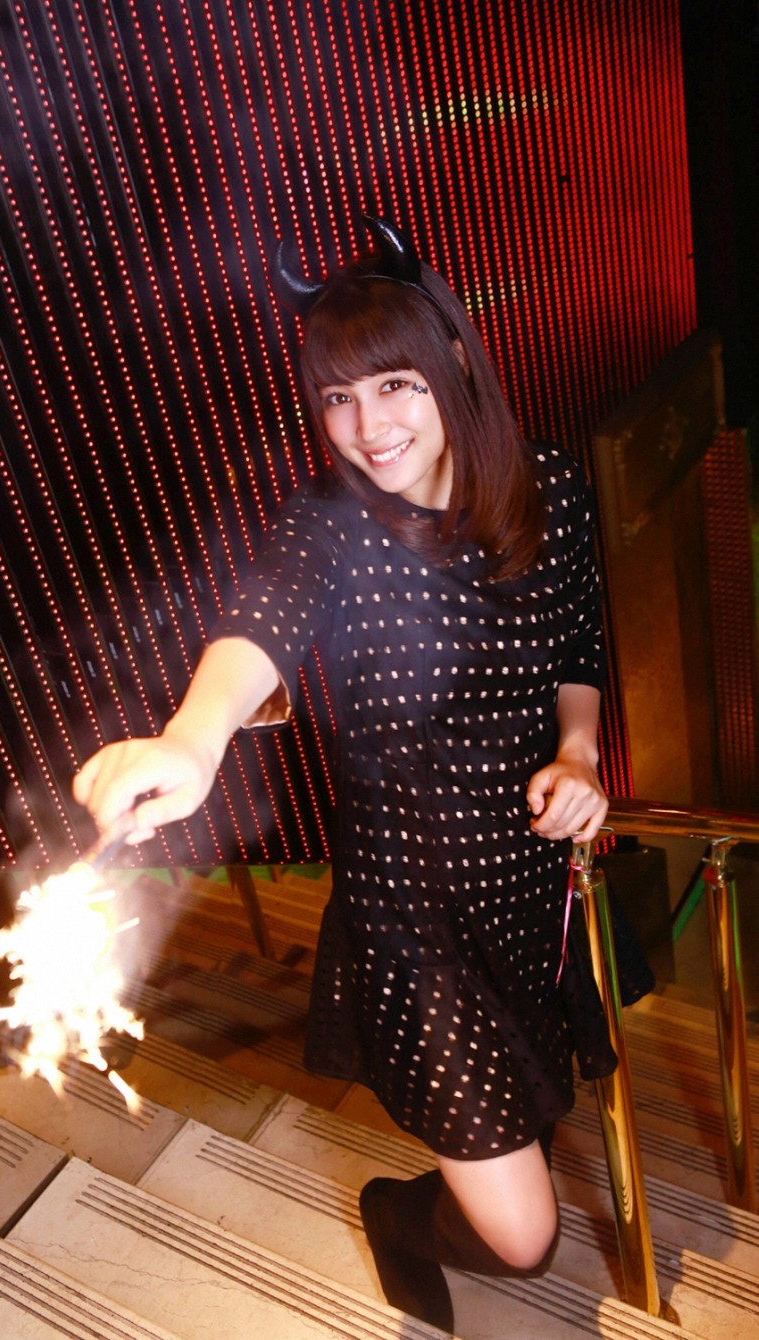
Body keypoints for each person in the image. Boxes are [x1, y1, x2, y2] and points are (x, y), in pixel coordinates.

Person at [72, 217, 620, 1332]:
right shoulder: (330, 525)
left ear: (454, 362)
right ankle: (395, 1211)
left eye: (395, 385)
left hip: (527, 882)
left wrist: (576, 752)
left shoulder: (549, 485)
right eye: (337, 397)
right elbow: (261, 622)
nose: (368, 427)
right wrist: (191, 739)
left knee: (530, 1103)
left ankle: (453, 1180)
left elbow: (577, 647)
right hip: (412, 907)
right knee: (522, 1239)